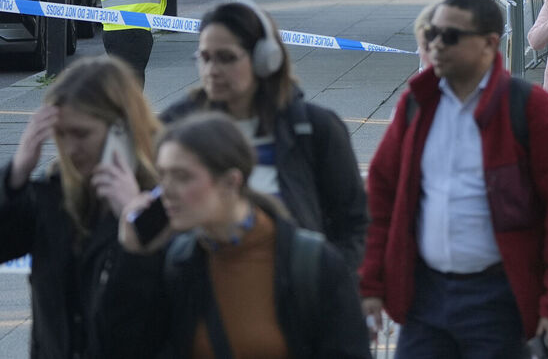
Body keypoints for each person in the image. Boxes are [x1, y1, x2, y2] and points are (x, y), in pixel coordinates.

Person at [360, 0, 548, 359]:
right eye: (433, 34)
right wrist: (370, 285)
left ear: (490, 44)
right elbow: (381, 199)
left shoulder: (533, 111)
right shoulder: (415, 105)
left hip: (501, 302)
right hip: (425, 301)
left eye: (450, 36)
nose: (436, 44)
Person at [104, 112, 372, 358]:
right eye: (162, 176)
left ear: (231, 182)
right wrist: (135, 258)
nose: (166, 191)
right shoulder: (178, 263)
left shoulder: (313, 263)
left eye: (182, 177)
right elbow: (125, 347)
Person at [161, 1, 369, 270]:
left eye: (226, 58)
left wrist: (330, 281)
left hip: (297, 297)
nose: (212, 70)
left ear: (265, 58)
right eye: (205, 57)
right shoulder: (175, 127)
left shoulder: (316, 128)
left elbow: (353, 223)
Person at [1, 57, 159, 358]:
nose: (71, 148)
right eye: (61, 134)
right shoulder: (53, 195)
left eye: (82, 134)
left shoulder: (161, 196)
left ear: (121, 131)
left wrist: (137, 218)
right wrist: (15, 175)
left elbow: (164, 304)